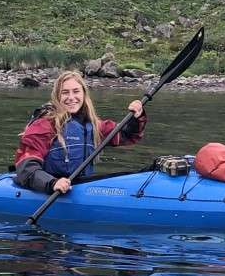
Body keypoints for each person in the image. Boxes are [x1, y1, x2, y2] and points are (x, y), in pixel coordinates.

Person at [13, 70, 146, 194]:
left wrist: (136, 118)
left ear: (83, 94)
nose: (71, 97)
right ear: (57, 96)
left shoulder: (94, 125)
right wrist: (52, 183)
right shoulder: (44, 125)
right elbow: (26, 167)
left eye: (76, 91)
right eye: (65, 92)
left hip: (79, 187)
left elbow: (128, 135)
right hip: (50, 188)